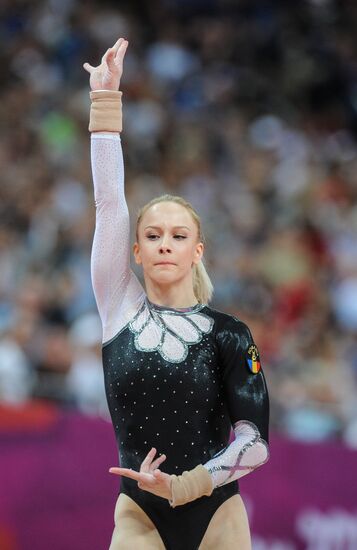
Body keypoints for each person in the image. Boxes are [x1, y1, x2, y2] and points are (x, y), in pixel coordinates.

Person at [84, 37, 269, 550]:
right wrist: (105, 101)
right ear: (136, 252)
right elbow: (108, 205)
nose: (165, 243)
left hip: (215, 514)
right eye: (152, 235)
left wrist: (186, 485)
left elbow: (255, 445)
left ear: (198, 251)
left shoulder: (229, 334)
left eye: (179, 235)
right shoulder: (119, 308)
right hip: (140, 513)